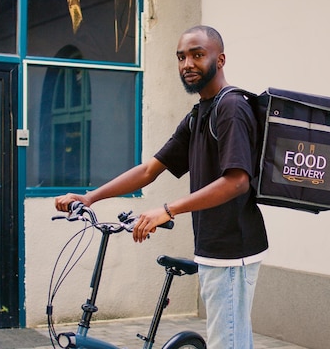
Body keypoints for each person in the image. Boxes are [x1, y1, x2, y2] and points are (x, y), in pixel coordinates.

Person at [55, 25, 268, 349]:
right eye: (181, 57)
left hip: (232, 249)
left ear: (220, 59)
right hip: (214, 247)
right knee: (233, 339)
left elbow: (237, 181)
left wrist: (166, 210)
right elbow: (148, 170)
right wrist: (90, 197)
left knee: (229, 343)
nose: (187, 64)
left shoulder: (231, 108)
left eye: (198, 55)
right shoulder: (199, 115)